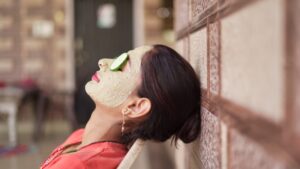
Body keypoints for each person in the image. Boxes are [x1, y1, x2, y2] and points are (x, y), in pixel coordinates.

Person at [40, 44, 201, 169]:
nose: (103, 62)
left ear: (136, 107)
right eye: (117, 58)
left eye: (121, 64)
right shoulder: (81, 137)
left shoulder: (78, 165)